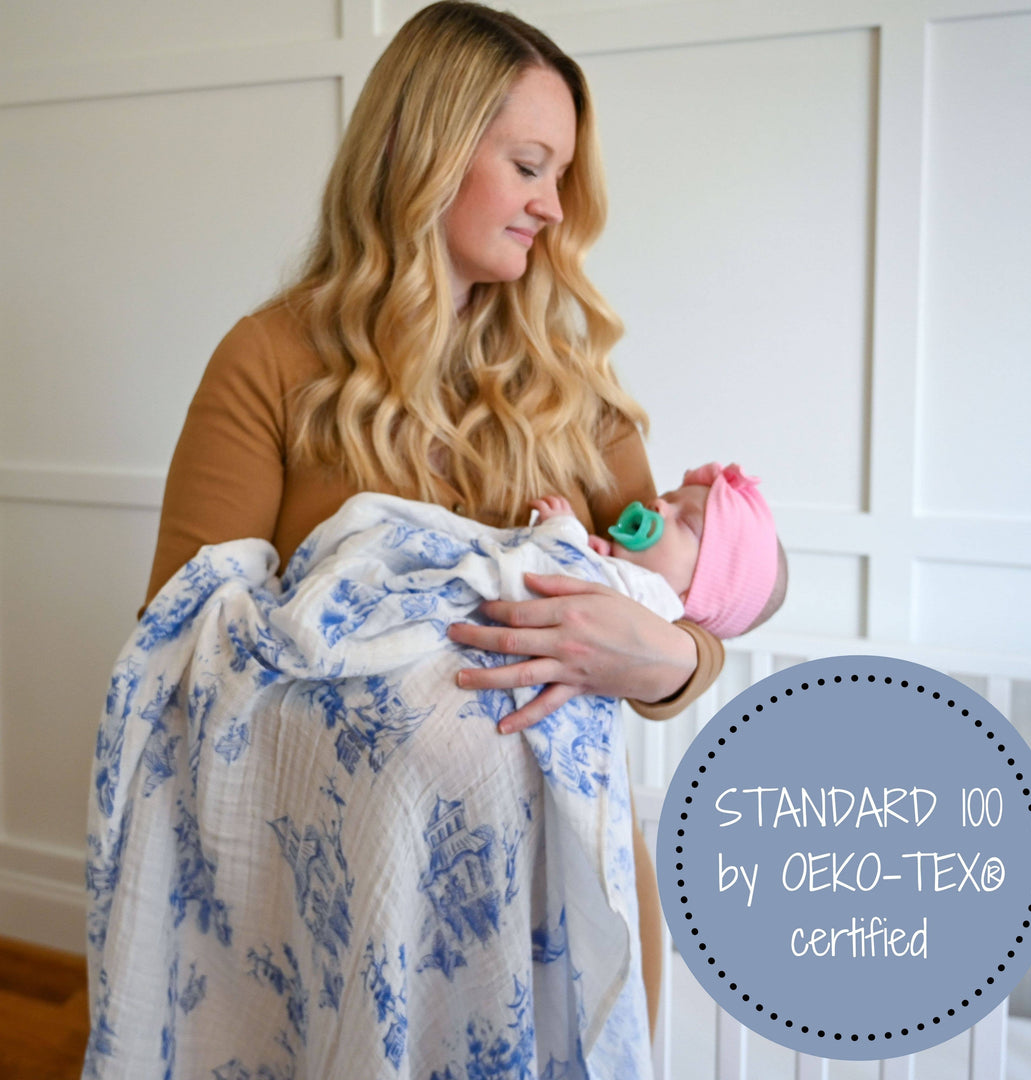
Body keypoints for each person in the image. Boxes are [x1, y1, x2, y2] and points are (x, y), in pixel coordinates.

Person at [140, 0, 727, 1046]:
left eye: (562, 176)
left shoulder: (572, 389)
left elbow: (683, 605)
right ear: (426, 153)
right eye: (531, 166)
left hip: (559, 898)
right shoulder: (269, 362)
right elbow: (178, 654)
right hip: (352, 908)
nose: (553, 206)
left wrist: (669, 659)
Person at [528, 462, 787, 666]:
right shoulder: (626, 579)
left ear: (691, 597)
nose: (658, 504)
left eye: (686, 522)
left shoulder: (649, 611)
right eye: (669, 498)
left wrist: (562, 528)